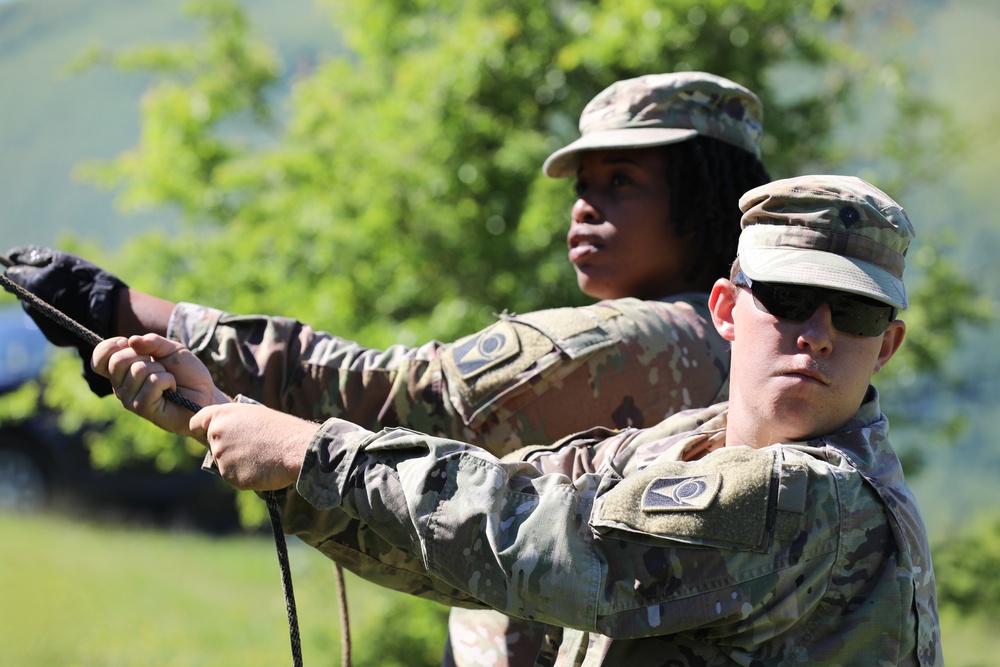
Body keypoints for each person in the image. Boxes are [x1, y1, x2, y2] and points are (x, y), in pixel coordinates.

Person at [5, 72, 770, 665]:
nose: (582, 208)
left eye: (621, 183)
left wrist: (120, 308)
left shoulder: (638, 338)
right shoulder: (750, 346)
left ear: (703, 201)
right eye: (581, 187)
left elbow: (390, 400)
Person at [89, 174, 942, 665]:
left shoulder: (813, 498)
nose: (818, 334)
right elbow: (496, 507)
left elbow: (546, 539)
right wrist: (220, 413)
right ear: (727, 307)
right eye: (791, 298)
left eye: (855, 314)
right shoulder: (686, 443)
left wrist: (305, 450)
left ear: (889, 342)